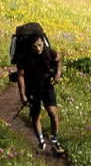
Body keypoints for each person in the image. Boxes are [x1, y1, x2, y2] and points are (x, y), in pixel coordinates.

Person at [8, 21, 63, 153]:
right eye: (35, 46)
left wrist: (57, 75)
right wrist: (22, 95)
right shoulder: (23, 57)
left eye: (40, 45)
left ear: (43, 42)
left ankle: (55, 142)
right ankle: (41, 142)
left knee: (53, 113)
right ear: (29, 46)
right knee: (35, 115)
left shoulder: (49, 52)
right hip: (32, 89)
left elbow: (59, 59)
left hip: (47, 86)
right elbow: (20, 76)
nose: (38, 49)